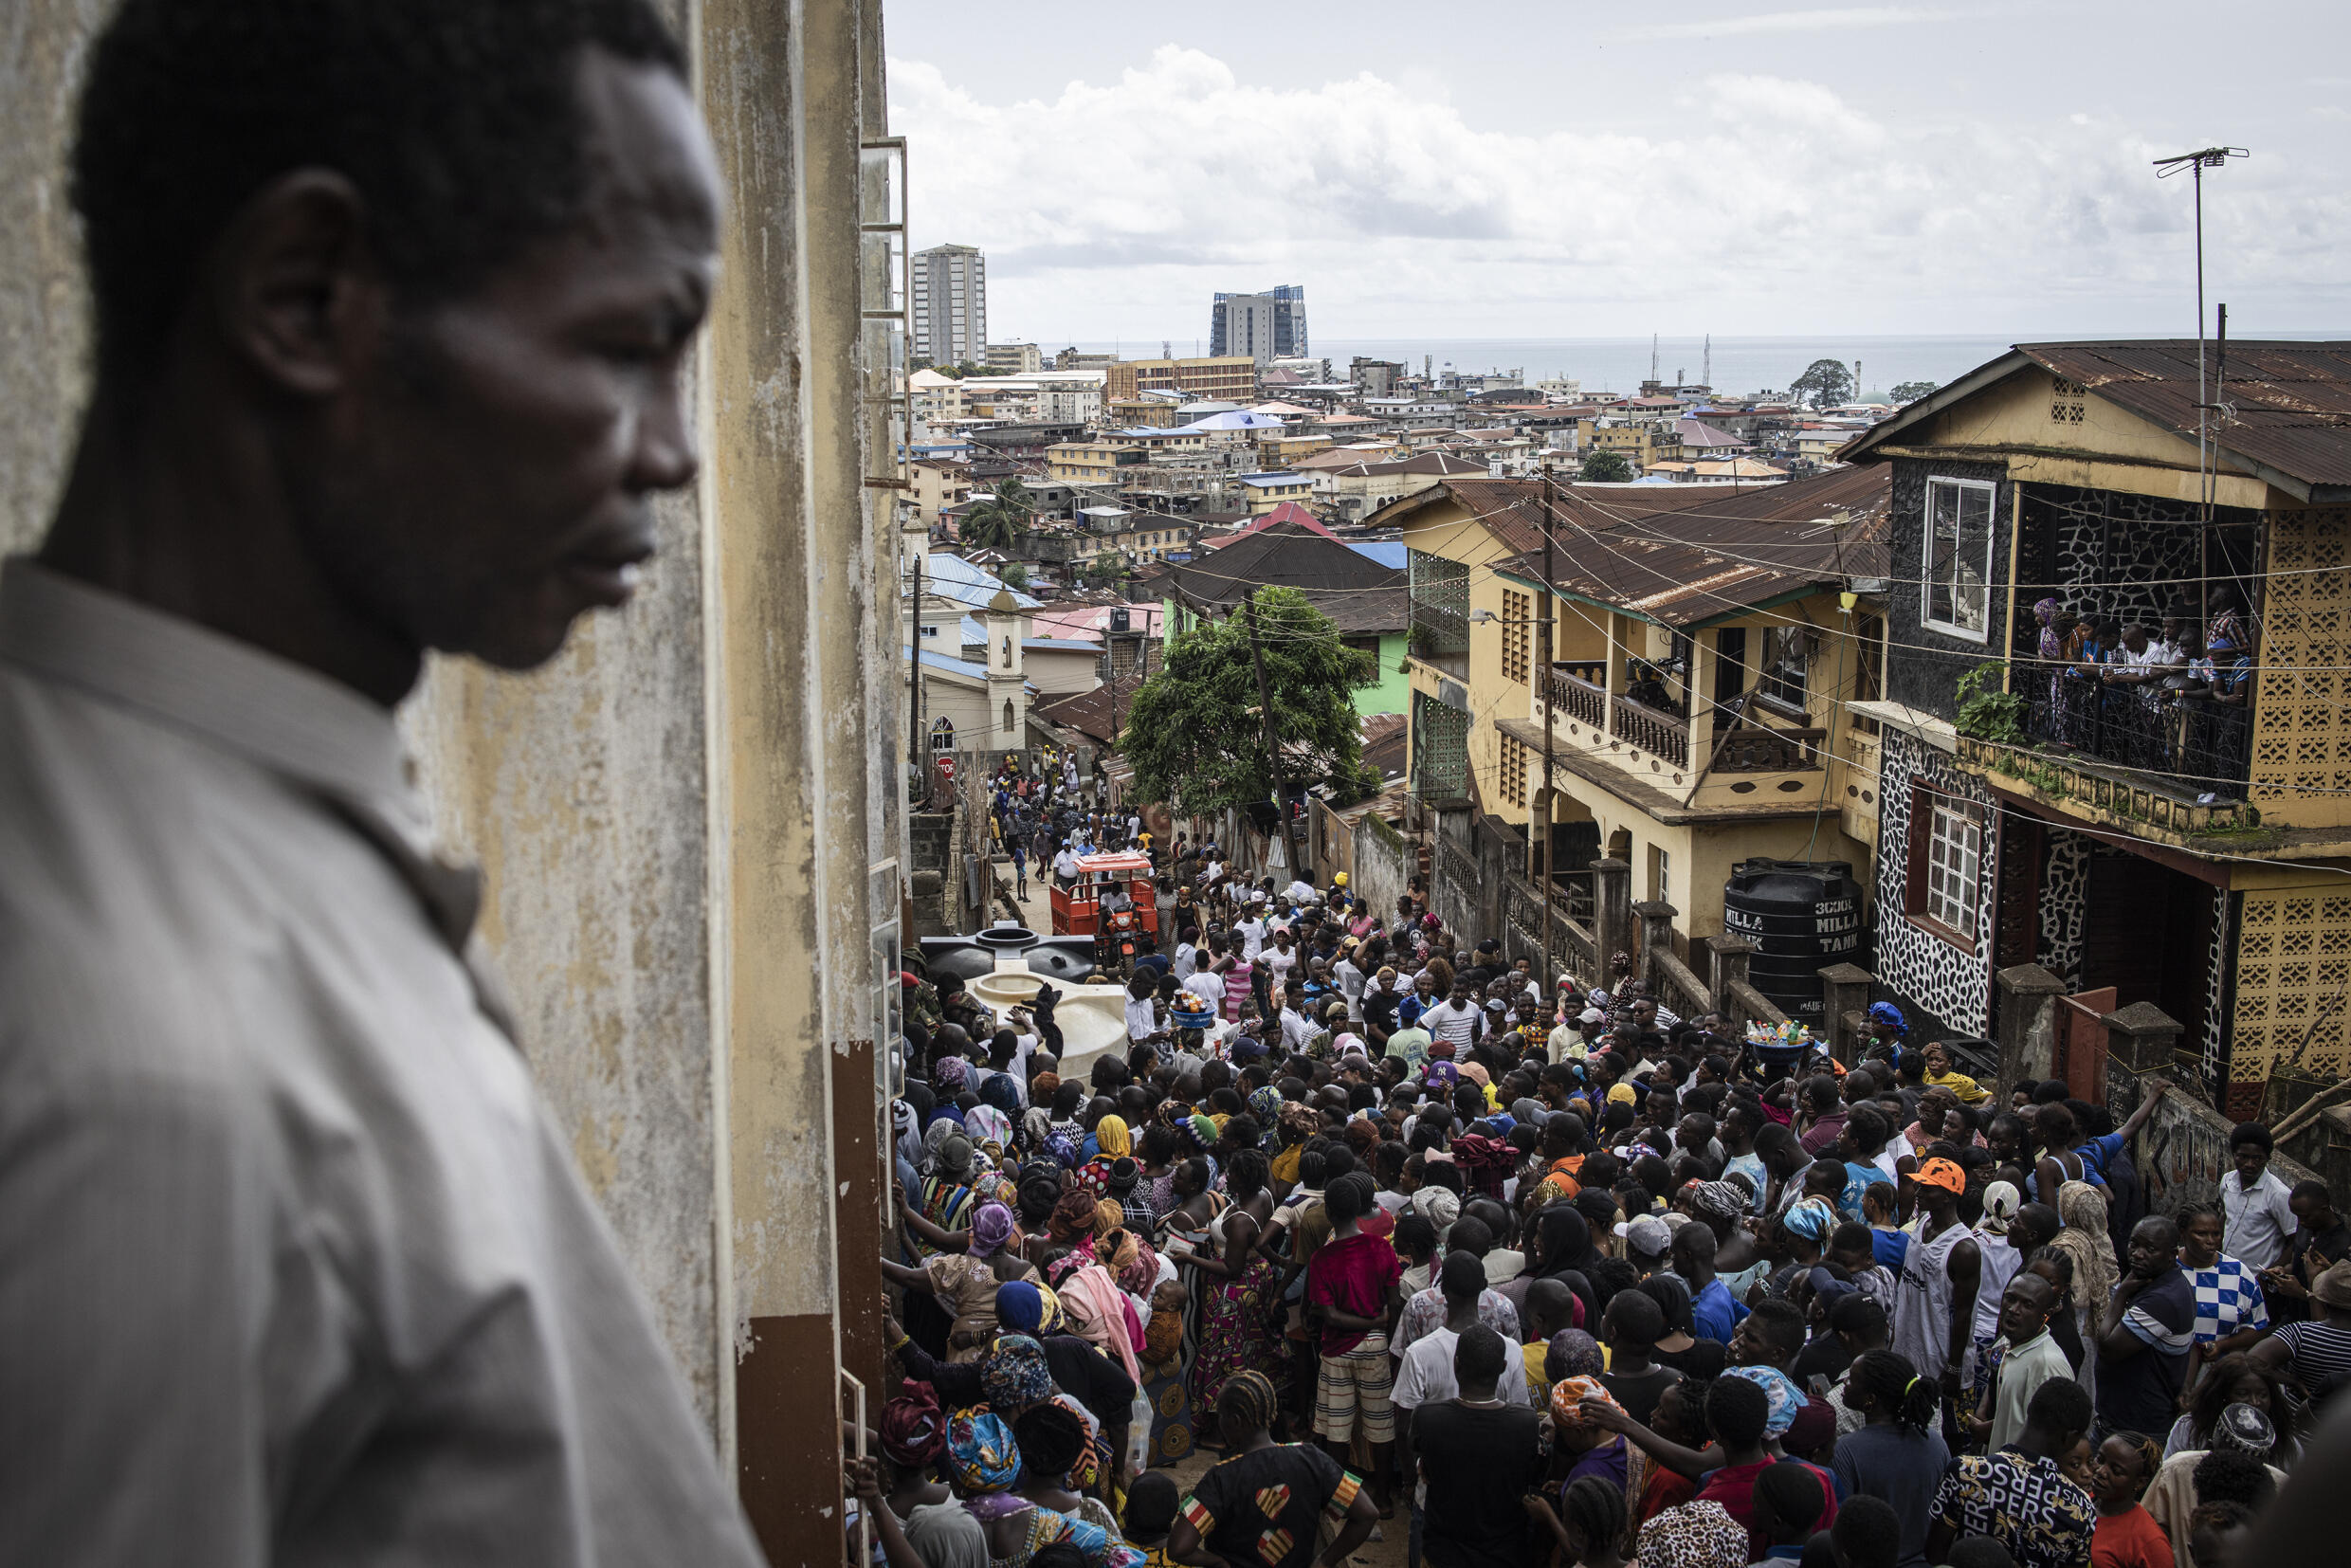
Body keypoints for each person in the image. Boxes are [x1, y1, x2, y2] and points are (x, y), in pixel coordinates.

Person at [0, 2, 768, 1558]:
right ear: (305, 298)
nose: (672, 452)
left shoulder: (196, 805)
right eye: (625, 346)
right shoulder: (149, 1086)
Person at [1168, 1371, 1377, 1568]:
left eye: (1220, 1415)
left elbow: (1179, 1548)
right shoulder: (1312, 1459)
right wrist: (1324, 1561)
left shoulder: (1222, 1477)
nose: (1219, 1422)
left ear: (1235, 1421)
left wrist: (1218, 1562)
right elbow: (1367, 1513)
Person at [1304, 1172, 1401, 1510]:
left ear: (1329, 1212)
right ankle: (1384, 1498)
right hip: (1376, 1346)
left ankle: (1340, 1499)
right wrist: (1378, 1325)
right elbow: (1393, 1301)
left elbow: (1328, 1315)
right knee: (1380, 1425)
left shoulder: (1323, 1258)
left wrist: (1365, 1322)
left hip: (1337, 1350)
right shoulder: (1381, 1248)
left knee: (1337, 1427)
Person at [1925, 1378, 2098, 1568]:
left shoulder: (1966, 1472)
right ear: (2071, 1436)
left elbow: (1934, 1556)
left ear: (2030, 1409)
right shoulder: (2080, 1508)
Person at [1414, 1325, 1549, 1568]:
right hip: (1504, 1553)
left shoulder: (1428, 1416)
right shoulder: (1525, 1421)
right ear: (1504, 1368)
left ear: (1456, 1365)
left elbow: (1421, 1458)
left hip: (1444, 1553)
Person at [1831, 1350, 1950, 1568]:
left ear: (1870, 1400)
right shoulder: (1935, 1444)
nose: (1845, 1383)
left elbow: (1841, 1523)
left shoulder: (1846, 1450)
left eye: (1852, 1379)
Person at [2098, 1216, 2196, 1441]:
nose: (2138, 1254)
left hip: (2135, 1428)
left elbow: (2107, 1349)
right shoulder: (2154, 1282)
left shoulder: (2163, 1299)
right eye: (2134, 1244)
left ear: (2173, 1254)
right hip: (2125, 1420)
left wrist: (2120, 1295)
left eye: (2150, 1249)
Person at [1891, 1158, 1981, 1402]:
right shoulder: (1922, 1224)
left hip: (1938, 1361)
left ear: (1948, 1196)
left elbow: (1963, 1314)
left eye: (1927, 1189)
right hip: (1907, 1351)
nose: (1918, 1194)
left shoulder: (1963, 1249)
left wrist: (1953, 1368)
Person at [1969, 1271, 2072, 1457]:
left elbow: (2050, 1437)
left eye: (2027, 1305)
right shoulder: (2008, 1343)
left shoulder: (2049, 1365)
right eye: (2010, 1298)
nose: (2014, 1309)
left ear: (2045, 1315)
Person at [2219, 1122, 2297, 1275]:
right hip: (2226, 1272)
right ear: (2234, 1154)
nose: (2249, 1164)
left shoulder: (2278, 1194)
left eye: (2257, 1158)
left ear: (2267, 1158)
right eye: (2243, 1157)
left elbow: (2296, 1240)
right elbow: (2224, 1216)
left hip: (2257, 1279)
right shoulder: (2227, 1181)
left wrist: (2269, 1276)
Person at [2087, 1433, 2171, 1568]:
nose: (2101, 1471)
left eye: (2116, 1471)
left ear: (2140, 1482)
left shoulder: (2150, 1541)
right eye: (2100, 1459)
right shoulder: (2079, 1503)